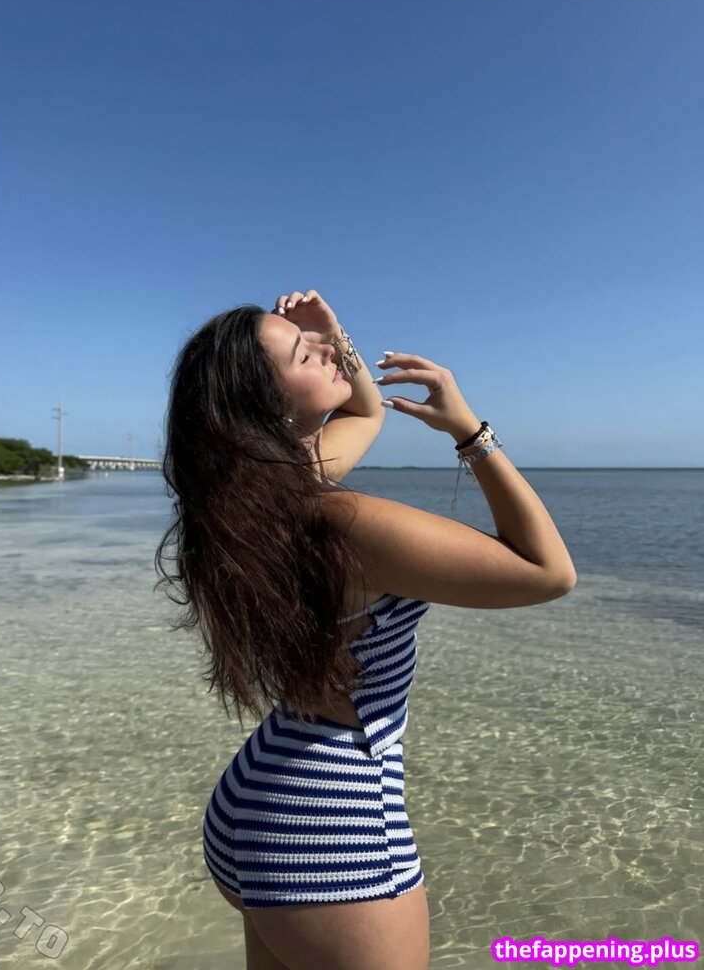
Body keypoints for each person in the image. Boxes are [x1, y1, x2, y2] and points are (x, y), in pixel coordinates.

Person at [155, 289, 577, 970]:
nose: (326, 350)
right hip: (331, 820)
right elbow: (548, 572)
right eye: (304, 353)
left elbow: (364, 410)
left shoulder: (244, 507)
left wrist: (332, 333)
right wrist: (470, 432)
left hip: (255, 802)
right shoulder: (344, 524)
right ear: (266, 408)